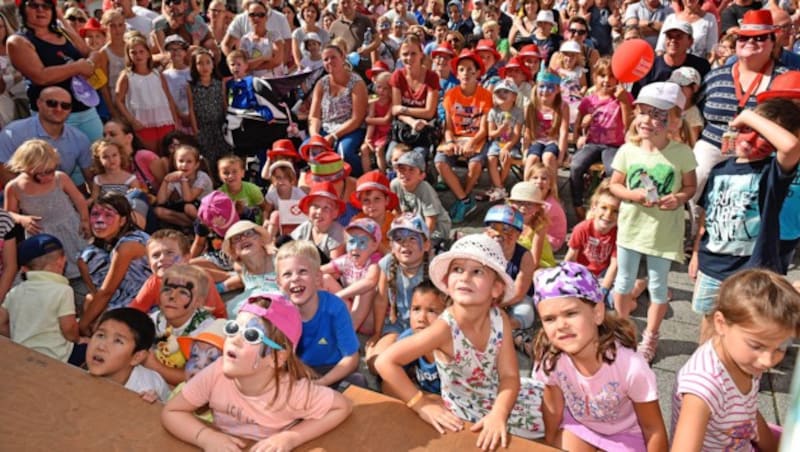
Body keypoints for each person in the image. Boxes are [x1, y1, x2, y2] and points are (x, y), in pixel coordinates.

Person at [376, 234, 544, 443]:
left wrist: (499, 413)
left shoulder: (499, 318)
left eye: (477, 271)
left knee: (555, 404)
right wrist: (421, 405)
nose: (465, 277)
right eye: (458, 269)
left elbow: (510, 376)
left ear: (496, 288)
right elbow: (385, 361)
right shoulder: (445, 328)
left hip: (502, 399)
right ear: (447, 281)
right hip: (469, 410)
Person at [162, 292, 351, 449]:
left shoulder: (292, 392)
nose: (234, 339)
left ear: (277, 357)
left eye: (251, 335)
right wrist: (205, 438)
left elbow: (342, 406)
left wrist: (291, 438)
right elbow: (172, 411)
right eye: (233, 327)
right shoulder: (215, 373)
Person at [689, 99, 800, 341]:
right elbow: (708, 216)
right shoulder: (720, 170)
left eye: (763, 136)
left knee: (745, 331)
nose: (751, 139)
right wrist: (697, 252)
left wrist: (748, 117)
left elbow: (791, 146)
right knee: (709, 324)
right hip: (712, 266)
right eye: (747, 131)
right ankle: (705, 371)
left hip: (749, 271)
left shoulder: (772, 173)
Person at [533, 262, 668, 451]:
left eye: (571, 313)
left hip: (626, 435)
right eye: (549, 319)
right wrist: (549, 442)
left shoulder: (630, 367)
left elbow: (652, 428)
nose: (561, 325)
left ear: (597, 313)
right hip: (580, 427)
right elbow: (553, 408)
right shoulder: (551, 358)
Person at [609, 82, 697, 363]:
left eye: (658, 114)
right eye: (643, 112)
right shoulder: (627, 150)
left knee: (658, 286)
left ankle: (651, 334)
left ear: (674, 120)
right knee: (623, 281)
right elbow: (615, 185)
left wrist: (678, 198)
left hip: (663, 232)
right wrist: (633, 194)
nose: (648, 120)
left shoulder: (682, 153)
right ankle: (621, 328)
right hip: (632, 227)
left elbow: (690, 186)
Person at [671, 269, 799, 451]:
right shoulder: (704, 388)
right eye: (757, 346)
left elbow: (749, 413)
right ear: (721, 324)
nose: (768, 361)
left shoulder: (745, 360)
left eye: (780, 347)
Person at [692, 10, 786, 205]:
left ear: (772, 42)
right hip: (714, 143)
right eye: (743, 38)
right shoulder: (715, 76)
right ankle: (688, 227)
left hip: (761, 151)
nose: (750, 42)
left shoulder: (784, 78)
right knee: (694, 177)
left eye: (759, 38)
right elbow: (695, 111)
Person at [7, 0, 103, 141]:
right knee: (57, 162)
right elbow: (41, 76)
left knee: (98, 159)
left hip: (86, 111)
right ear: (22, 10)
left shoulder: (63, 31)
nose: (41, 9)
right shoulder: (18, 41)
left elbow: (89, 52)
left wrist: (89, 64)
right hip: (52, 117)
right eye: (34, 5)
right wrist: (77, 67)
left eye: (46, 5)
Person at [275, 240, 364, 389]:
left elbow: (351, 358)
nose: (295, 278)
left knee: (358, 382)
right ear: (279, 283)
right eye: (287, 274)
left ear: (318, 278)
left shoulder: (335, 307)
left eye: (302, 271)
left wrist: (321, 383)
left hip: (332, 368)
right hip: (298, 370)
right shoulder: (279, 312)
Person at [4, 139, 89, 281]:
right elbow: (8, 215)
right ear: (25, 168)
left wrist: (85, 220)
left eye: (51, 170)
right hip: (41, 235)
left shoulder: (60, 178)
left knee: (81, 264)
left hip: (70, 228)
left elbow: (79, 199)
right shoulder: (15, 187)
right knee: (47, 273)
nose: (48, 177)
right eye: (41, 174)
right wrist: (22, 219)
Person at [0, 234, 82, 365]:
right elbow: (69, 330)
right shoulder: (63, 291)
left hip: (21, 355)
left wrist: (20, 334)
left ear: (25, 269)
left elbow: (1, 323)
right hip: (57, 358)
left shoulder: (15, 291)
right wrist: (78, 339)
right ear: (62, 261)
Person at [77, 193, 151, 335]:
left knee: (98, 323)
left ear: (122, 220)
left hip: (145, 297)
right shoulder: (105, 244)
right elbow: (100, 293)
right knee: (84, 260)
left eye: (108, 216)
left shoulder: (127, 245)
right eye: (95, 214)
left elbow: (106, 292)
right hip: (122, 292)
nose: (100, 221)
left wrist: (81, 326)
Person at [570, 57, 633, 220]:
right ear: (595, 77)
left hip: (614, 145)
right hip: (593, 143)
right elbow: (578, 125)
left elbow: (629, 125)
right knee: (576, 165)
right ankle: (578, 204)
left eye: (611, 76)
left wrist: (625, 103)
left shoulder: (623, 97)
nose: (607, 80)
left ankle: (607, 206)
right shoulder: (589, 100)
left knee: (613, 171)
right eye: (602, 75)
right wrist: (581, 128)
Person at [435, 49, 492, 224]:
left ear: (477, 73)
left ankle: (463, 199)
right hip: (456, 137)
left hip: (476, 138)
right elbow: (448, 127)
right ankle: (466, 200)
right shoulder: (451, 95)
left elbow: (484, 129)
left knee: (475, 164)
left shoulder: (485, 95)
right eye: (461, 69)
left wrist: (471, 143)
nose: (465, 73)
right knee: (440, 161)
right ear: (457, 74)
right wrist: (452, 141)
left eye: (470, 69)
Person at [0, 86, 91, 187]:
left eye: (65, 106)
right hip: (20, 196)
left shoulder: (79, 138)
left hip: (60, 195)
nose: (59, 109)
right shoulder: (13, 132)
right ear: (39, 103)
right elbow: (4, 173)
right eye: (51, 103)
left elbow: (90, 177)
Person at [129, 229, 227, 319]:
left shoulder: (201, 280)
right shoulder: (153, 283)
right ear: (149, 264)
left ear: (186, 258)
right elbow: (132, 313)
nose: (162, 258)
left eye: (169, 253)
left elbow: (216, 313)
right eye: (156, 255)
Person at [145, 264, 215, 385]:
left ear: (198, 301)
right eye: (167, 290)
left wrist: (154, 366)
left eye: (183, 292)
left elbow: (195, 377)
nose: (172, 296)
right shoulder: (155, 320)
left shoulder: (207, 331)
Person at [307, 44, 368, 177]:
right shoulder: (321, 83)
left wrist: (334, 136)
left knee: (344, 153)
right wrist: (315, 136)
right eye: (326, 59)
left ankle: (357, 180)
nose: (329, 62)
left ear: (343, 58)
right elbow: (314, 116)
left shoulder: (356, 83)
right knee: (307, 149)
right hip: (326, 128)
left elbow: (357, 119)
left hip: (350, 128)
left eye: (333, 57)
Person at [86, 307, 171, 403]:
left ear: (137, 357)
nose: (101, 346)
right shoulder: (81, 378)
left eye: (118, 341)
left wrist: (152, 409)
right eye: (101, 335)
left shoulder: (144, 393)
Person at [115, 35, 180, 152]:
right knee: (150, 155)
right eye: (133, 52)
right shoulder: (127, 76)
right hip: (142, 122)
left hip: (163, 119)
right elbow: (118, 100)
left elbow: (168, 98)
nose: (138, 55)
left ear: (148, 53)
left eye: (141, 51)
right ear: (128, 55)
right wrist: (132, 121)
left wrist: (175, 121)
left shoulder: (157, 74)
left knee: (167, 153)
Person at [321, 218, 382, 333]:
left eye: (362, 242)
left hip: (370, 319)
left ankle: (347, 334)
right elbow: (319, 271)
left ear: (374, 246)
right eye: (351, 242)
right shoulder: (347, 260)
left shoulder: (375, 263)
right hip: (351, 310)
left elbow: (370, 282)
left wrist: (337, 296)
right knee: (325, 279)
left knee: (366, 289)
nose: (355, 247)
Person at [564, 181, 621, 305]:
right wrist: (563, 277)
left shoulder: (618, 234)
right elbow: (570, 257)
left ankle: (641, 284)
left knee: (615, 301)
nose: (608, 215)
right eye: (604, 208)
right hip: (583, 272)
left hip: (604, 274)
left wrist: (604, 289)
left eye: (615, 211)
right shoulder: (582, 228)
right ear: (594, 208)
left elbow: (614, 265)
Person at [390, 149, 451, 250]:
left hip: (435, 229)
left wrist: (423, 239)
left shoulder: (425, 189)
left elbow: (431, 219)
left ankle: (440, 246)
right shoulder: (395, 184)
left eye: (411, 170)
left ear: (422, 175)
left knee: (419, 249)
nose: (405, 173)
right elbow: (396, 209)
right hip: (412, 226)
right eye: (402, 169)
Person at [633, 21, 711, 96]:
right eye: (669, 36)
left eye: (678, 36)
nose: (673, 40)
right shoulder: (648, 67)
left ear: (690, 42)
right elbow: (637, 97)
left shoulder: (701, 66)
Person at [221, 220, 280, 316]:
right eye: (236, 238)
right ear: (234, 250)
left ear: (261, 240)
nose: (243, 238)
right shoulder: (240, 269)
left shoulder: (279, 260)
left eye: (249, 233)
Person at [524, 66, 569, 179]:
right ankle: (525, 190)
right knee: (532, 159)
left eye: (550, 87)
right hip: (536, 141)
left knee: (548, 157)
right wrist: (524, 151)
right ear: (536, 87)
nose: (545, 91)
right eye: (541, 87)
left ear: (558, 89)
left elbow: (563, 133)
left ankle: (552, 191)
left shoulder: (562, 107)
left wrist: (561, 155)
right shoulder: (531, 106)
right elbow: (527, 131)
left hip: (554, 142)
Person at [155, 144, 213, 228]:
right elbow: (160, 201)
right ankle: (191, 225)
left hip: (205, 208)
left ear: (196, 165)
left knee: (188, 208)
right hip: (188, 210)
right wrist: (165, 181)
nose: (184, 165)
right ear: (175, 163)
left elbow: (188, 198)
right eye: (181, 161)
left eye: (189, 162)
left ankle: (207, 227)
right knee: (158, 211)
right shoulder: (175, 176)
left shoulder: (202, 177)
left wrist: (183, 179)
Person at [484, 79, 523, 201]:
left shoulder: (518, 112)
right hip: (496, 142)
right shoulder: (493, 112)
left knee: (506, 158)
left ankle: (498, 187)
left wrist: (506, 147)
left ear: (514, 96)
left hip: (512, 144)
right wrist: (500, 130)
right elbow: (491, 134)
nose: (501, 94)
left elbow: (516, 134)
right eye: (498, 92)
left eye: (506, 91)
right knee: (491, 158)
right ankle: (500, 187)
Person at [239, 0, 286, 78]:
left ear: (266, 17)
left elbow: (277, 61)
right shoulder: (245, 40)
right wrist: (264, 58)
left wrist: (253, 66)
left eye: (261, 15)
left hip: (274, 82)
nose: (256, 18)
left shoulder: (275, 36)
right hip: (252, 84)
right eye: (252, 15)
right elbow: (244, 65)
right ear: (248, 17)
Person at [217, 155, 268, 225]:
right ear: (219, 176)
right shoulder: (219, 194)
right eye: (226, 173)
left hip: (252, 224)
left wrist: (264, 223)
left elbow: (265, 208)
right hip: (231, 226)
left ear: (242, 173)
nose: (230, 176)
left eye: (234, 172)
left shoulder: (252, 189)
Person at [361, 72, 393, 172]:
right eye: (379, 87)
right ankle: (368, 175)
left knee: (379, 150)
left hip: (387, 132)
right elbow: (371, 122)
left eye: (385, 88)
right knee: (364, 149)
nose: (381, 91)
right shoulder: (373, 101)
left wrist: (367, 119)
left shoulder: (392, 101)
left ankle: (382, 174)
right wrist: (368, 138)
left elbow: (386, 120)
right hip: (376, 132)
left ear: (391, 90)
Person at [292, 1, 330, 68]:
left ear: (317, 14)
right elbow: (297, 57)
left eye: (313, 11)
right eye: (307, 11)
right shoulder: (296, 33)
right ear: (303, 13)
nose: (310, 13)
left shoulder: (324, 34)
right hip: (304, 69)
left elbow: (326, 54)